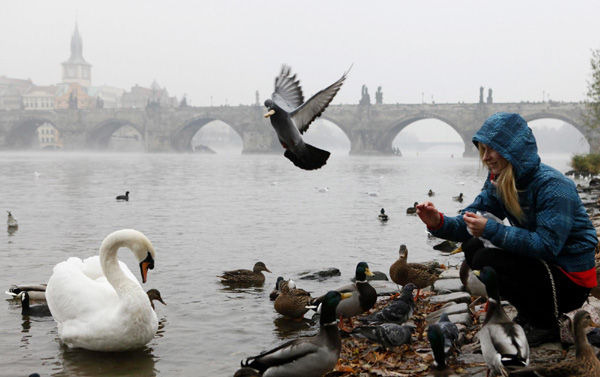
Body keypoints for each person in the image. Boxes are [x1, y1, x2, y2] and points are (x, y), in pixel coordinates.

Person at [416, 112, 598, 346]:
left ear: (514, 149)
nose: (486, 157)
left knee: (485, 256)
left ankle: (546, 323)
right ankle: (532, 312)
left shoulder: (554, 186)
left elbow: (548, 246)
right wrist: (438, 221)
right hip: (548, 269)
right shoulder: (499, 179)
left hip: (571, 279)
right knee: (473, 246)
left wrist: (491, 230)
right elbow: (470, 220)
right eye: (482, 149)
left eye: (492, 149)